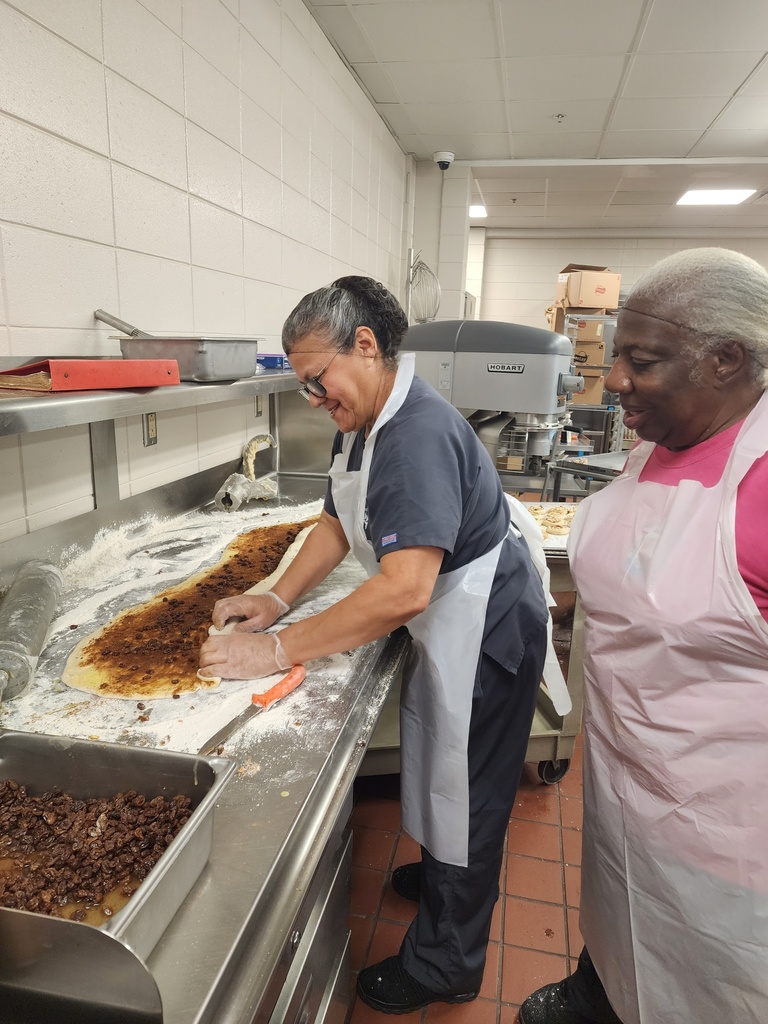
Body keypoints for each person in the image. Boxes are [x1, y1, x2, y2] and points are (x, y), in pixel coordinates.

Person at [199, 276, 551, 1013]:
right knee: (443, 767)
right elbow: (335, 521)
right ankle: (446, 874)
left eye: (316, 380)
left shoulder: (414, 436)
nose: (313, 398)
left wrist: (276, 650)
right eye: (303, 386)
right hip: (452, 619)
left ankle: (447, 961)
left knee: (469, 790)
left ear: (365, 345)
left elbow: (402, 591)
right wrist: (276, 597)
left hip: (485, 628)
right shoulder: (364, 418)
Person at [520, 247, 768, 1024]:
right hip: (625, 780)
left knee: (704, 984)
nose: (615, 380)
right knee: (620, 923)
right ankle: (599, 986)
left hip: (725, 831)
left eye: (643, 360)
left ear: (727, 359)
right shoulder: (657, 446)